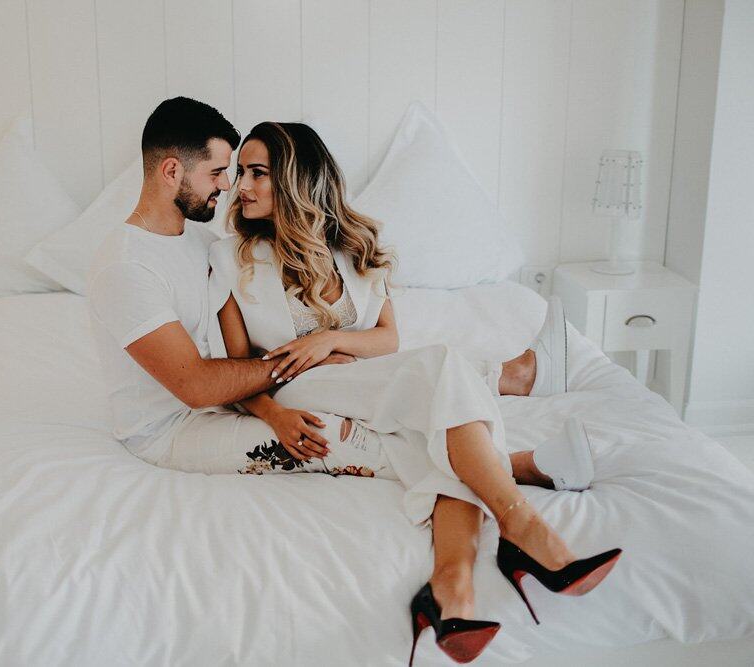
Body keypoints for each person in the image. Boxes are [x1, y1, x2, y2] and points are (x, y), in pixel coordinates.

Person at [86, 99, 619, 665]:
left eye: (245, 171)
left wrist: (329, 344)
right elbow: (199, 383)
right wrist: (291, 381)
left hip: (283, 384)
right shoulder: (149, 262)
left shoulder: (190, 237)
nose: (231, 187)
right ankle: (519, 511)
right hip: (182, 423)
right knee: (435, 385)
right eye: (223, 172)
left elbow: (378, 334)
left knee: (433, 398)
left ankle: (451, 591)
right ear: (174, 171)